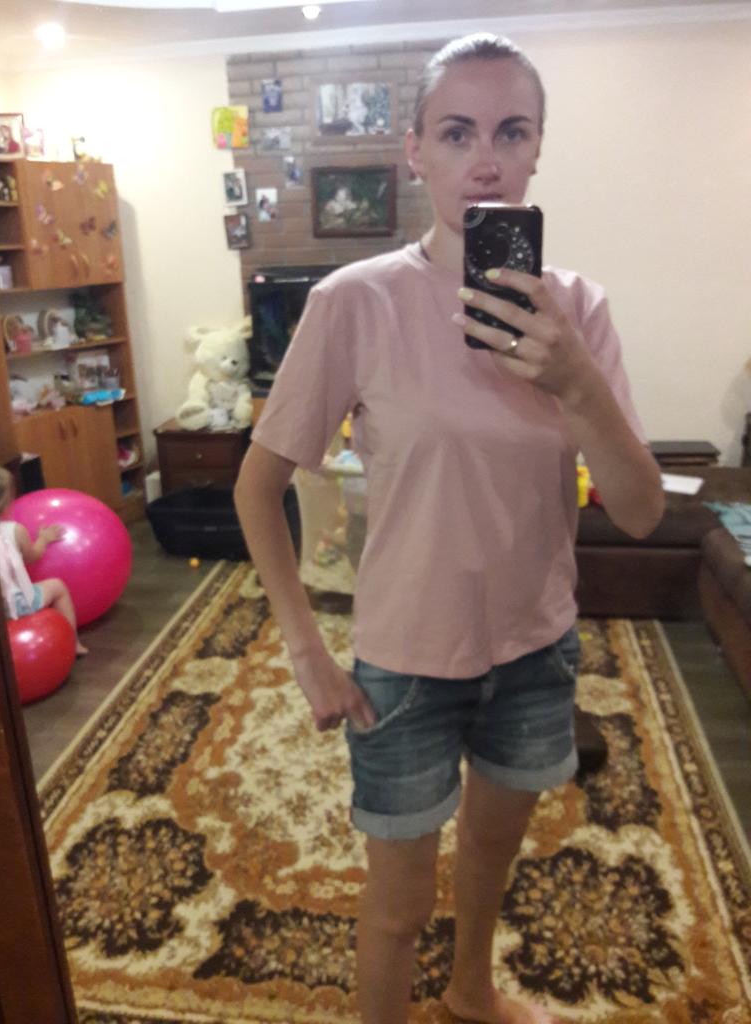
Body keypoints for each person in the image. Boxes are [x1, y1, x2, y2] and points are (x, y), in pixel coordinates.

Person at [235, 32, 663, 1024]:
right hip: (405, 662)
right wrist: (306, 651)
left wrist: (576, 382)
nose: (486, 160)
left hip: (535, 649)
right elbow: (258, 489)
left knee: (491, 855)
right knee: (395, 910)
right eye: (457, 132)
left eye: (511, 131)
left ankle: (472, 991)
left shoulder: (579, 310)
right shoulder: (357, 302)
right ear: (415, 152)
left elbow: (642, 512)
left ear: (539, 148)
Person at [0, 462, 88, 655]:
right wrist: (44, 538)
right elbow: (33, 556)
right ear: (2, 503)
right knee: (58, 587)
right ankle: (73, 643)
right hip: (12, 606)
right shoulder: (14, 530)